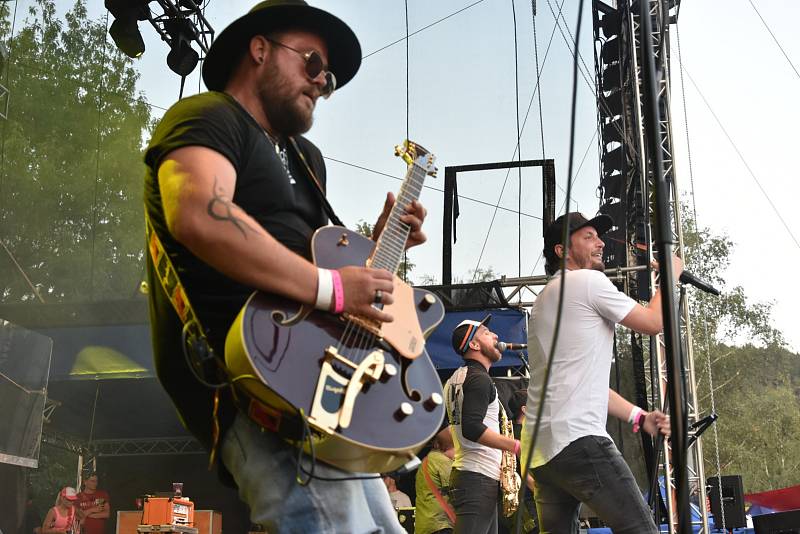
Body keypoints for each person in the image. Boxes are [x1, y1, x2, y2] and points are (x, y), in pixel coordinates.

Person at [143, 1, 427, 532]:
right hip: (258, 389)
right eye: (313, 63)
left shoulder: (306, 158)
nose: (322, 82)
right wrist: (335, 290)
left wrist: (381, 242)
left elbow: (311, 269)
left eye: (330, 77)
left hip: (323, 392)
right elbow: (200, 214)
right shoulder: (209, 116)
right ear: (259, 50)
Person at [522, 212, 678, 534]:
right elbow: (653, 322)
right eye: (588, 237)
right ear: (561, 251)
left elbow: (582, 383)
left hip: (542, 452)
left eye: (598, 236)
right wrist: (670, 276)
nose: (600, 242)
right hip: (579, 440)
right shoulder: (586, 281)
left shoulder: (543, 300)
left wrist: (639, 416)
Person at [443, 315, 520, 534]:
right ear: (474, 345)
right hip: (477, 478)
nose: (495, 335)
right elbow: (472, 428)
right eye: (486, 332)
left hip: (473, 476)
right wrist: (515, 446)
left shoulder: (454, 379)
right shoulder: (479, 379)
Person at [415, 426, 456, 534]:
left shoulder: (427, 460)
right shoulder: (441, 460)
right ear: (449, 447)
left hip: (424, 524)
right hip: (439, 524)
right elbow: (456, 486)